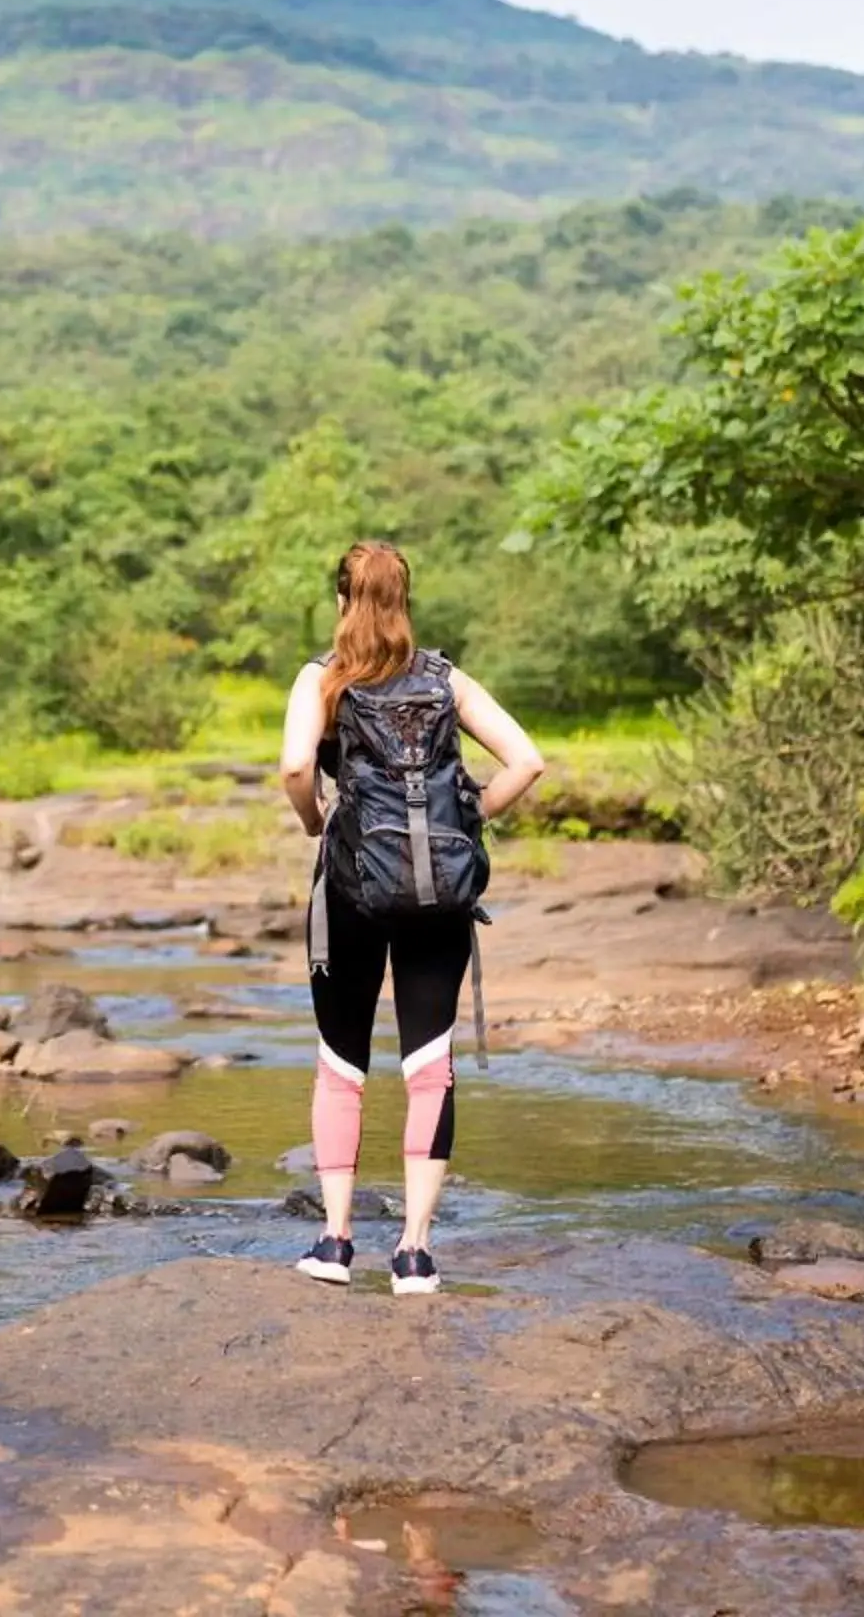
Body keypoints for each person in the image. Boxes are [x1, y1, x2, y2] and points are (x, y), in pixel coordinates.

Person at [277, 540, 544, 1294]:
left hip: (352, 891)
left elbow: (298, 767)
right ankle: (415, 1254)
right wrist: (470, 818)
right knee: (430, 1065)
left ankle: (334, 1245)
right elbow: (526, 759)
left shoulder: (320, 679)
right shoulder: (445, 677)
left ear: (340, 601)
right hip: (440, 898)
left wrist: (313, 821)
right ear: (404, 603)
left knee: (341, 1062)